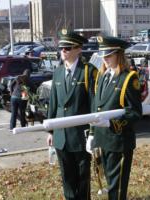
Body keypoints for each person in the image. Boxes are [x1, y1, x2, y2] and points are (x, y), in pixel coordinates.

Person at [86, 36, 142, 200]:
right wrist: (92, 133)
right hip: (103, 139)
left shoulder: (128, 78)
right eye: (103, 55)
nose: (105, 58)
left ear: (119, 54)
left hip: (119, 140)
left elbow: (135, 112)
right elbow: (96, 107)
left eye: (109, 55)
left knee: (117, 188)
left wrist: (112, 123)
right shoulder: (102, 76)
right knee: (109, 183)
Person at [46, 29, 97, 200]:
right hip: (61, 135)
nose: (63, 51)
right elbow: (53, 103)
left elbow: (93, 105)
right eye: (61, 48)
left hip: (80, 135)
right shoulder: (58, 72)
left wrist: (92, 133)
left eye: (67, 48)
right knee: (67, 177)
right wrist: (50, 130)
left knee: (82, 177)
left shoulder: (88, 71)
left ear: (78, 49)